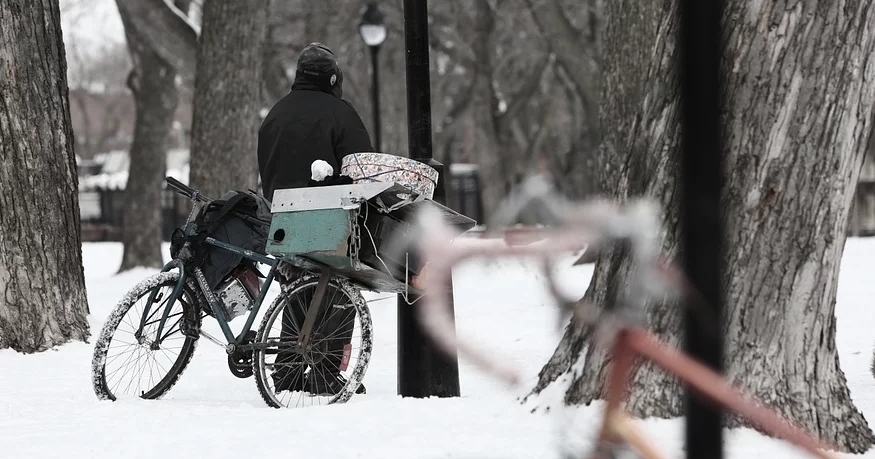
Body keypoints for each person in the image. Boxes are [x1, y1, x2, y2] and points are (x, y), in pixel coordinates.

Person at [256, 42, 373, 396]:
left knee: (294, 291)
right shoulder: (340, 113)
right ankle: (324, 371)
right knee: (339, 291)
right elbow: (361, 166)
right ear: (333, 78)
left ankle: (288, 370)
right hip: (328, 216)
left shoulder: (274, 114)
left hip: (283, 218)